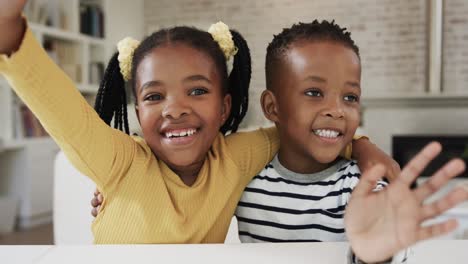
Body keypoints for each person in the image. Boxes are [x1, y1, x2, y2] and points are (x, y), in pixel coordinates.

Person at [0, 1, 393, 244]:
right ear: (138, 113)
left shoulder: (234, 158)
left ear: (224, 109)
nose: (175, 108)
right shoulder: (119, 162)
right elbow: (66, 115)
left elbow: (302, 127)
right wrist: (9, 31)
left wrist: (361, 145)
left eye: (197, 91)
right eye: (154, 97)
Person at [234, 20, 468, 263]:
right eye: (314, 93)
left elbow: (385, 241)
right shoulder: (244, 181)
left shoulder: (362, 185)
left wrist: (377, 252)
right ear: (272, 107)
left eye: (350, 97)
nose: (337, 111)